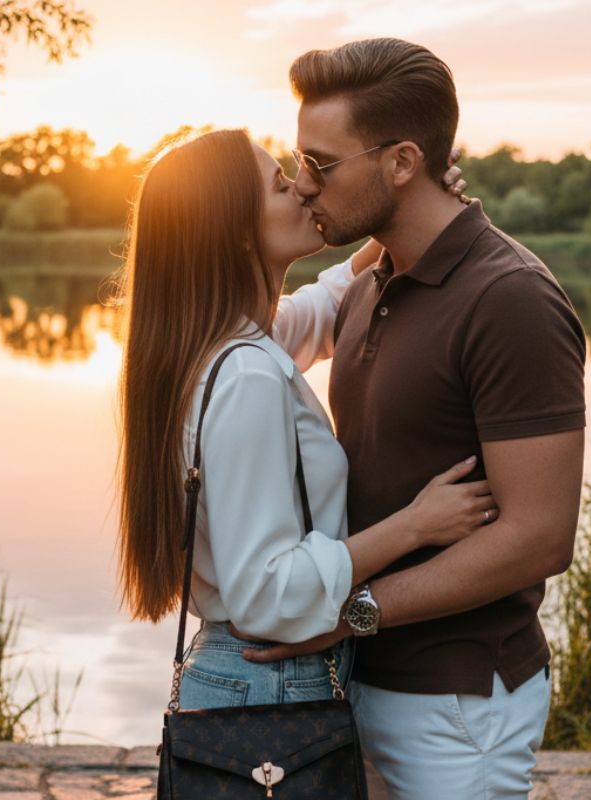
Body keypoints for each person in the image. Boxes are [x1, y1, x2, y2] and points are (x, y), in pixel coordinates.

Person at [240, 38, 588, 799]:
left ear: (401, 161)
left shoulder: (512, 300)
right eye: (299, 164)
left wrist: (349, 613)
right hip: (359, 680)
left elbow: (539, 536)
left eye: (320, 165)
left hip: (456, 706)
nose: (303, 186)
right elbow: (245, 342)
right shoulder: (371, 283)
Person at [114, 128, 492, 711]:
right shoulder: (247, 376)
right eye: (281, 185)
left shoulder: (215, 347)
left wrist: (403, 208)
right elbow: (267, 592)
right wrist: (416, 525)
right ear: (237, 233)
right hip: (269, 681)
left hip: (247, 676)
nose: (305, 190)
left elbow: (325, 302)